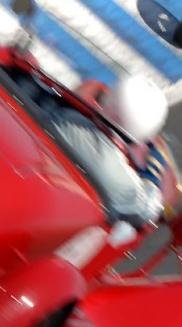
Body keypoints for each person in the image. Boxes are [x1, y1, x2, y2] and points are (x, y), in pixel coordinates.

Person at [43, 74, 169, 227]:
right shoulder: (125, 184)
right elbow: (149, 209)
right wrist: (152, 175)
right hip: (58, 217)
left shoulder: (65, 116)